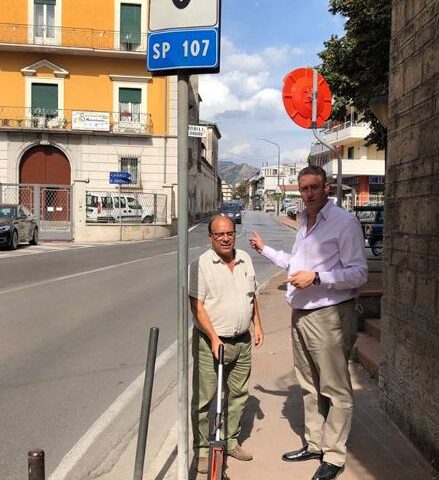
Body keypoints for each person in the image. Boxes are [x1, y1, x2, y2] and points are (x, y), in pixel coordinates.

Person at [250, 166, 367, 480]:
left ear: (326, 187)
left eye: (315, 187)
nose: (309, 194)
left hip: (329, 316)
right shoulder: (303, 220)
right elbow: (295, 264)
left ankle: (334, 456)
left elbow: (358, 274)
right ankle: (315, 444)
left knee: (336, 389)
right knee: (308, 386)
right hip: (300, 314)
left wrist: (317, 278)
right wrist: (265, 251)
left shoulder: (345, 224)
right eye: (304, 189)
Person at [189, 215, 264, 475]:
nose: (225, 238)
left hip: (241, 341)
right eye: (219, 234)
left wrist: (258, 325)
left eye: (229, 233)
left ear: (235, 234)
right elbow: (196, 307)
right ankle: (201, 450)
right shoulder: (200, 265)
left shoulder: (245, 259)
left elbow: (252, 296)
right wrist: (213, 338)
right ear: (210, 237)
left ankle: (231, 441)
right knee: (204, 398)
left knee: (239, 394)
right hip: (210, 341)